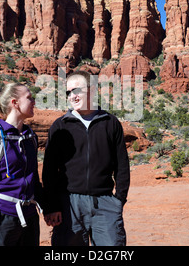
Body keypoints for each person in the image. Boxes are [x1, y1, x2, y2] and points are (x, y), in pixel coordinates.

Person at [42, 70, 130, 246]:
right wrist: (52, 206)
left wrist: (119, 200)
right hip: (69, 205)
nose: (72, 96)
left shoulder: (110, 123)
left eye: (76, 90)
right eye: (68, 92)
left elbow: (122, 165)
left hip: (105, 203)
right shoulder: (60, 126)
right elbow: (49, 170)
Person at [0, 82, 42, 246]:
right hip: (2, 218)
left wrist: (46, 207)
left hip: (29, 217)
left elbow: (34, 178)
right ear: (15, 103)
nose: (34, 102)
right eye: (29, 98)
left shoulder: (30, 137)